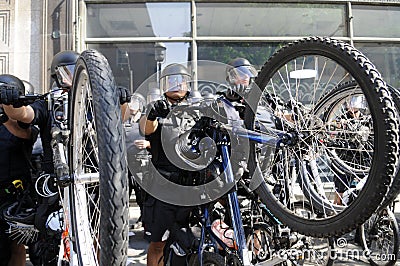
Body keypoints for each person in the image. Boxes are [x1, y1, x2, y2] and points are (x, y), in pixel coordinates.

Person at [139, 63, 194, 266]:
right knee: (157, 243)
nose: (177, 85)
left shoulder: (196, 108)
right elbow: (145, 128)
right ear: (164, 85)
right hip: (163, 187)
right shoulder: (157, 107)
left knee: (192, 241)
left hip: (193, 187)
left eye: (182, 81)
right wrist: (153, 113)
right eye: (172, 81)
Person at [0, 74, 39, 266]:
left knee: (17, 245)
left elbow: (26, 133)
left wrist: (6, 108)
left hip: (16, 194)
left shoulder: (23, 122)